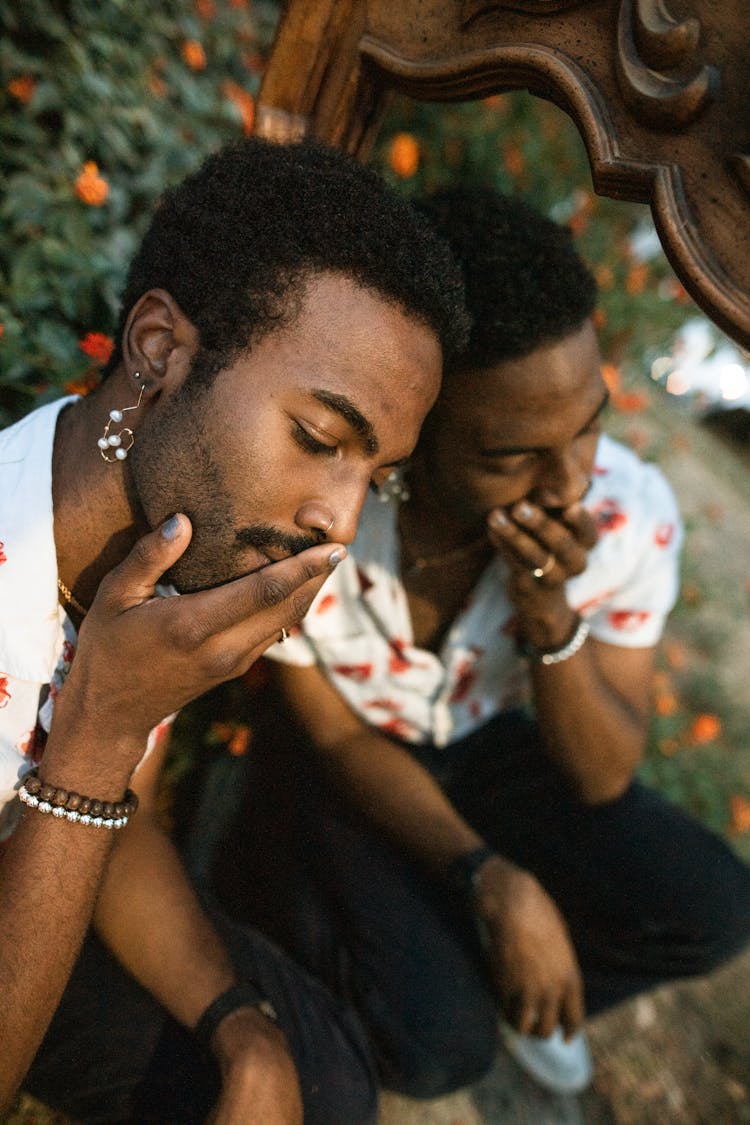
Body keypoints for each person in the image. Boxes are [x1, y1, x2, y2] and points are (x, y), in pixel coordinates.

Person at [236, 186, 750, 1100]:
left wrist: (550, 616)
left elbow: (599, 776)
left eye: (589, 423)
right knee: (440, 1050)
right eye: (512, 455)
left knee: (714, 905)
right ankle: (386, 934)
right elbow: (335, 734)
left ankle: (461, 959)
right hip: (345, 756)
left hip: (484, 746)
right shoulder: (321, 513)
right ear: (412, 437)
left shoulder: (627, 517)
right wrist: (489, 875)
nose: (570, 480)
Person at [0, 137, 469, 1122]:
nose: (338, 521)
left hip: (42, 864)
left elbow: (118, 827)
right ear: (162, 351)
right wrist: (93, 740)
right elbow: (95, 784)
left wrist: (242, 1029)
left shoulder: (158, 560)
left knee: (318, 1080)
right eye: (317, 440)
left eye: (371, 475)